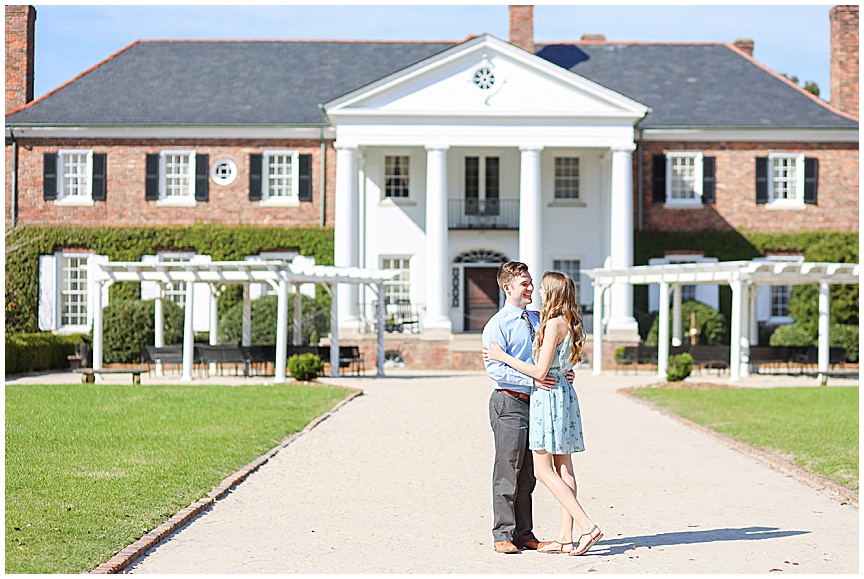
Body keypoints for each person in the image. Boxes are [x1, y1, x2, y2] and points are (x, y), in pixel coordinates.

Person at [483, 270, 602, 557]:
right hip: (512, 401)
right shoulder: (496, 325)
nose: (532, 288)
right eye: (525, 284)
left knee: (533, 473)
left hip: (541, 400)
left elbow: (551, 360)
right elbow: (494, 369)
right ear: (507, 287)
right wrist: (539, 378)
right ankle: (504, 534)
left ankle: (531, 534)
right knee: (509, 469)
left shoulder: (541, 319)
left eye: (533, 283)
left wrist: (562, 372)